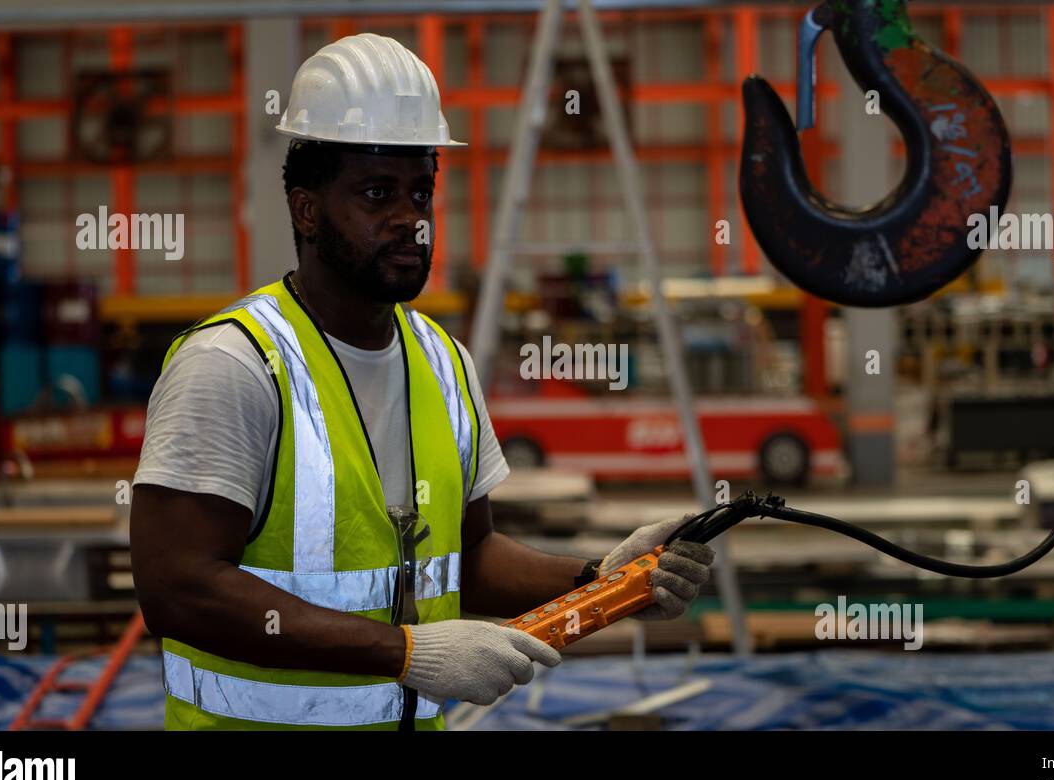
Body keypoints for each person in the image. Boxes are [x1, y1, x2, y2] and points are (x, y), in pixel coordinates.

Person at [129, 33, 714, 730]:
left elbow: (471, 557)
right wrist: (405, 651)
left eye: (421, 192)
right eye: (377, 194)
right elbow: (177, 589)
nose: (411, 220)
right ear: (305, 209)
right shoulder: (234, 366)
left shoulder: (444, 362)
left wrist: (602, 578)